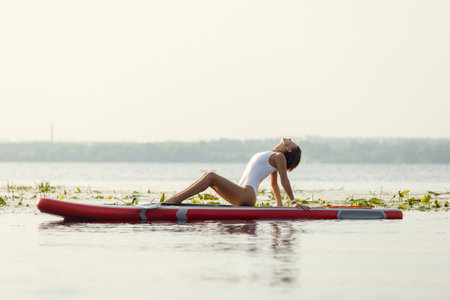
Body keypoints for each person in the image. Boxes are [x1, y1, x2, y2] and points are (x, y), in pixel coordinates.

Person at [164, 138, 310, 211]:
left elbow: (284, 180)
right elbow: (273, 183)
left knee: (210, 176)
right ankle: (174, 201)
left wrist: (293, 201)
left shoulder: (279, 157)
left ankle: (173, 201)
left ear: (290, 150)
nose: (290, 139)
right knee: (207, 178)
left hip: (246, 194)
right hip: (242, 195)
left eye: (293, 143)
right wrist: (279, 205)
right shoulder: (272, 155)